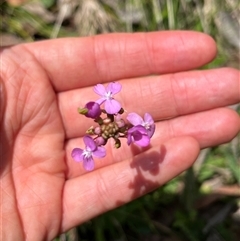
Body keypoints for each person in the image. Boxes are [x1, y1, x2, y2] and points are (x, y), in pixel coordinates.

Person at [1, 31, 239, 241]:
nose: (107, 97)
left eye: (108, 96)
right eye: (105, 96)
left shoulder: (122, 120)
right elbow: (99, 128)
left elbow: (119, 127)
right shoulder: (100, 130)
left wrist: (126, 130)